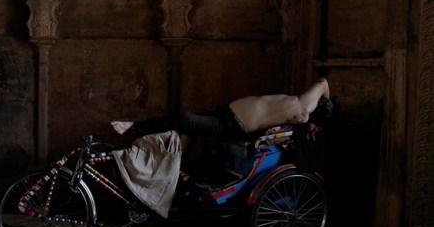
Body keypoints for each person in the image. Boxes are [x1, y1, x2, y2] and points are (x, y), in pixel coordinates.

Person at [111, 77, 332, 142]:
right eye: (317, 128)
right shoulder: (305, 108)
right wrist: (328, 103)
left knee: (185, 119)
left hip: (233, 127)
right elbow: (323, 83)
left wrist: (312, 126)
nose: (313, 131)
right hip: (226, 115)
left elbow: (322, 84)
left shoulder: (303, 112)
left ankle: (134, 126)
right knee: (188, 124)